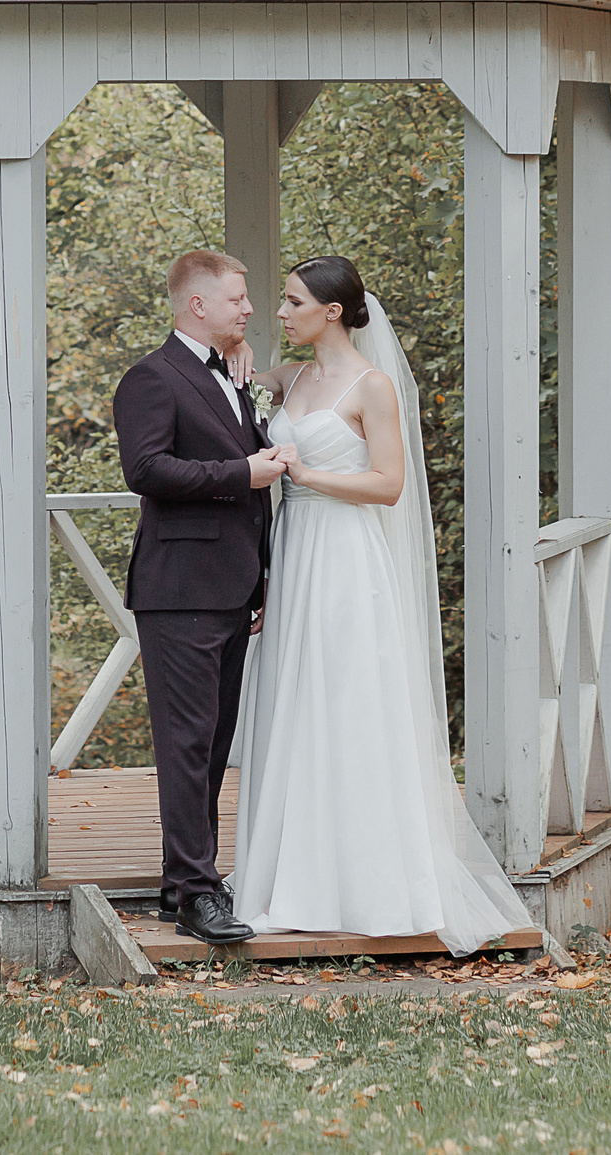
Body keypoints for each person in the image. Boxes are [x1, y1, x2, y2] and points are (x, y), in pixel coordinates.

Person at [228, 254, 535, 954]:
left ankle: (369, 882)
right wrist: (239, 346)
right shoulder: (295, 376)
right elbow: (244, 376)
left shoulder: (373, 387)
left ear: (332, 311)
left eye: (294, 301)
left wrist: (307, 474)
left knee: (350, 703)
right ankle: (295, 878)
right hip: (296, 551)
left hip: (344, 554)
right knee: (297, 703)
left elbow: (389, 484)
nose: (280, 312)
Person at [111, 249, 295, 945]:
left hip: (231, 585)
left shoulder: (232, 372)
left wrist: (262, 574)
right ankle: (195, 890)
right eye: (239, 300)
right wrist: (241, 471)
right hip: (178, 588)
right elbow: (147, 468)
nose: (249, 309)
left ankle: (181, 880)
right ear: (198, 305)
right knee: (187, 743)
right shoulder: (151, 378)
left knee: (213, 743)